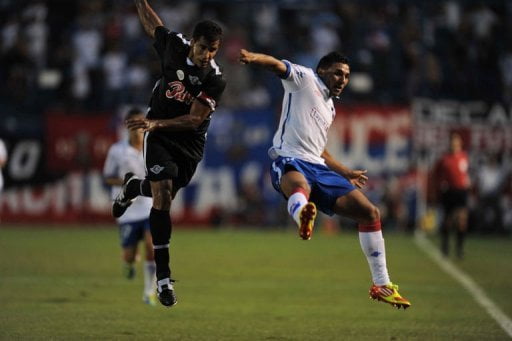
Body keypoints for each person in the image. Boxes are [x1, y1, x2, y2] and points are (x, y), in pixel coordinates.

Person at [239, 49, 411, 309]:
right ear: (322, 71)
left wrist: (344, 171)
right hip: (289, 158)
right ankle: (303, 217)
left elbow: (318, 147)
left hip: (319, 168)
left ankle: (382, 284)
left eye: (346, 76)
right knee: (299, 186)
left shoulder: (329, 107)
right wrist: (254, 58)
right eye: (338, 73)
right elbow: (277, 65)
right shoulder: (305, 79)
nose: (343, 79)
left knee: (370, 213)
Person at [112, 0, 226, 307]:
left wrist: (154, 122)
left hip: (189, 144)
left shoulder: (214, 79)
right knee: (162, 197)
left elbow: (193, 119)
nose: (208, 55)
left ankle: (133, 187)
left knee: (162, 192)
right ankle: (163, 280)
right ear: (194, 42)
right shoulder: (175, 46)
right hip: (160, 136)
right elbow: (154, 26)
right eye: (203, 48)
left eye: (213, 49)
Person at [103, 108, 157, 305]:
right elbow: (107, 177)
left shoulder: (152, 148)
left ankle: (149, 291)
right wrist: (127, 184)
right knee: (129, 255)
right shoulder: (117, 151)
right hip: (126, 209)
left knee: (152, 246)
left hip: (148, 206)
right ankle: (129, 264)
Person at [433, 132, 471, 258]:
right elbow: (436, 174)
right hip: (449, 192)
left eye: (456, 141)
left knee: (462, 220)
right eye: (452, 142)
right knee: (447, 220)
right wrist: (440, 186)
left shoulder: (464, 157)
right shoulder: (444, 159)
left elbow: (466, 173)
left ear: (459, 143)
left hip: (461, 192)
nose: (454, 144)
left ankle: (460, 249)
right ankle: (445, 246)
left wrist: (468, 183)